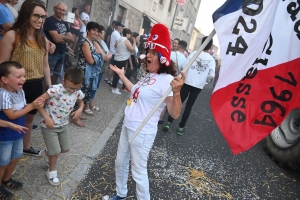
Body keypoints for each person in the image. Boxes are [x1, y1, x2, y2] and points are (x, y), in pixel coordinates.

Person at [104, 23, 185, 200]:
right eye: (147, 51)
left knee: (138, 172)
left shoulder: (167, 80)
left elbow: (175, 114)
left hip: (142, 132)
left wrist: (177, 92)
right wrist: (121, 75)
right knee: (120, 162)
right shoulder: (150, 75)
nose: (147, 55)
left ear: (162, 57)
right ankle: (121, 193)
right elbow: (136, 91)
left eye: (152, 53)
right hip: (128, 125)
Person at [0, 0, 51, 156]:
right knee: (10, 120)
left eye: (42, 17)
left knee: (29, 120)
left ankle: (24, 147)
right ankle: (5, 153)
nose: (40, 20)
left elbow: (45, 65)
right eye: (36, 15)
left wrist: (49, 86)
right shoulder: (12, 35)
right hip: (13, 87)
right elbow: (2, 64)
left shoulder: (42, 39)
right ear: (26, 14)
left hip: (36, 84)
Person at [0, 61, 44, 199]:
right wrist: (32, 106)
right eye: (18, 76)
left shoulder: (19, 91)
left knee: (16, 157)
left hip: (18, 133)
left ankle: (6, 180)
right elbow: (11, 115)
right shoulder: (4, 95)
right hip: (5, 136)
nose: (23, 79)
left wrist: (35, 104)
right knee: (3, 163)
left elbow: (24, 106)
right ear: (5, 79)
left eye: (24, 76)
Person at [37, 67, 84, 186]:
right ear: (63, 80)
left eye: (75, 88)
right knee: (56, 151)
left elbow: (81, 101)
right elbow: (38, 102)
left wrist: (80, 109)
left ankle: (47, 154)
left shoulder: (77, 91)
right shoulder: (55, 89)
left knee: (65, 148)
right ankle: (51, 172)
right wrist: (46, 117)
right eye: (69, 87)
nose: (72, 91)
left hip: (63, 125)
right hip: (49, 126)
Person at [163, 36, 216, 135]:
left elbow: (184, 66)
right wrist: (204, 79)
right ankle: (181, 127)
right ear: (210, 47)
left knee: (179, 101)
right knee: (189, 106)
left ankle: (169, 122)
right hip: (198, 86)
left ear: (202, 43)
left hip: (187, 82)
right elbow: (212, 75)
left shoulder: (194, 54)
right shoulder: (211, 60)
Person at [72, 21, 102, 127]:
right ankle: (75, 116)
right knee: (79, 94)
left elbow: (97, 56)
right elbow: (90, 60)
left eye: (97, 31)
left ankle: (78, 114)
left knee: (85, 94)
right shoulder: (85, 42)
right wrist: (98, 57)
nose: (95, 33)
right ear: (88, 30)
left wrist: (97, 57)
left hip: (88, 72)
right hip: (83, 71)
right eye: (93, 30)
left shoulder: (92, 43)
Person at [43, 1, 74, 84]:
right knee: (47, 75)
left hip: (62, 52)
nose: (61, 12)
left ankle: (51, 92)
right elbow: (56, 39)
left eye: (63, 10)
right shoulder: (50, 20)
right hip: (53, 53)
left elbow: (72, 39)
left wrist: (61, 36)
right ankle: (44, 94)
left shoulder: (64, 23)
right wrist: (66, 38)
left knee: (56, 74)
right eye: (59, 9)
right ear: (54, 9)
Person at [158, 40, 187, 124]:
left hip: (164, 77)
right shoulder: (185, 59)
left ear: (178, 46)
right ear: (185, 49)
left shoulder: (170, 54)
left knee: (160, 96)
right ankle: (160, 118)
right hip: (175, 80)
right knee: (168, 98)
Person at [90, 24, 111, 111]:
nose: (103, 34)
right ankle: (89, 104)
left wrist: (108, 55)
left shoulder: (102, 43)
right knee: (93, 86)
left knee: (96, 86)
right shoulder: (95, 42)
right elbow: (105, 56)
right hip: (97, 69)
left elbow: (110, 54)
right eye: (102, 32)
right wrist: (107, 56)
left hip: (102, 68)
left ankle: (90, 103)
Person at [111, 28, 136, 95]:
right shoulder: (126, 40)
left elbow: (115, 45)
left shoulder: (119, 38)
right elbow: (132, 49)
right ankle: (114, 88)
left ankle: (114, 86)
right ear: (127, 34)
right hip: (122, 59)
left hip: (117, 57)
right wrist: (134, 42)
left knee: (116, 73)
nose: (130, 36)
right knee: (118, 74)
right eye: (129, 34)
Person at [104, 21, 124, 86]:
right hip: (114, 52)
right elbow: (120, 42)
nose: (122, 28)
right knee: (112, 67)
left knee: (112, 66)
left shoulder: (116, 33)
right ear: (118, 27)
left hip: (114, 51)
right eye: (121, 27)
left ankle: (108, 78)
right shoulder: (116, 33)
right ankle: (109, 80)